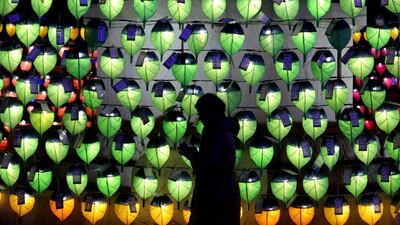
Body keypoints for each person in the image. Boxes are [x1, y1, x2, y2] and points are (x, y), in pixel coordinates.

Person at [179, 93, 241, 225]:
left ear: (211, 112)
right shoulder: (222, 129)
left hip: (216, 195)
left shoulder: (216, 132)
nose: (200, 118)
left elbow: (211, 168)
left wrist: (193, 156)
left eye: (201, 113)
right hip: (224, 191)